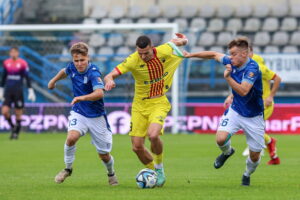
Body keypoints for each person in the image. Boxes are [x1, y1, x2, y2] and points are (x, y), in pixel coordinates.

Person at [104, 33, 188, 187]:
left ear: (152, 48)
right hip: (139, 106)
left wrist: (183, 40)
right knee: (136, 147)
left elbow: (177, 42)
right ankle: (153, 173)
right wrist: (109, 80)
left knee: (153, 135)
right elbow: (110, 75)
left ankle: (159, 169)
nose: (142, 56)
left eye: (146, 53)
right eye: (140, 53)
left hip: (159, 102)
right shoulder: (133, 59)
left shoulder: (164, 50)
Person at [184, 37, 264, 186]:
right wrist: (191, 55)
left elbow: (244, 91)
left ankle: (247, 174)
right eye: (230, 54)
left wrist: (227, 78)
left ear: (244, 54)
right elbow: (213, 55)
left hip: (254, 116)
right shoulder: (231, 61)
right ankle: (227, 152)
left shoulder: (252, 69)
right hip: (236, 111)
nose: (230, 57)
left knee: (254, 156)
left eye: (233, 54)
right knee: (220, 139)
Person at [48, 42, 118, 185]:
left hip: (96, 116)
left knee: (104, 155)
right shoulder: (72, 67)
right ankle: (67, 169)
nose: (79, 64)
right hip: (79, 112)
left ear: (88, 58)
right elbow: (64, 71)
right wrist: (53, 81)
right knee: (71, 138)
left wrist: (82, 97)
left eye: (82, 60)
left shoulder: (93, 72)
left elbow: (99, 93)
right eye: (76, 60)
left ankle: (111, 173)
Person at [224, 46, 281, 165]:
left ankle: (268, 143)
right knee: (249, 129)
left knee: (250, 128)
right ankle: (273, 155)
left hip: (263, 104)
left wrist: (270, 97)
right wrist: (231, 96)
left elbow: (277, 78)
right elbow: (242, 85)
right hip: (251, 104)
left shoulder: (259, 67)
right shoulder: (244, 67)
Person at [0, 47, 36, 140]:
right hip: (8, 91)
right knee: (4, 111)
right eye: (11, 52)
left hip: (18, 91)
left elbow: (27, 77)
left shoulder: (23, 63)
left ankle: (16, 133)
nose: (13, 54)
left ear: (18, 53)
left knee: (18, 113)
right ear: (9, 53)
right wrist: (1, 89)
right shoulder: (6, 63)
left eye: (15, 52)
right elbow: (3, 77)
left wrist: (30, 90)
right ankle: (13, 127)